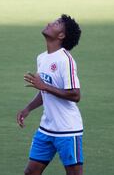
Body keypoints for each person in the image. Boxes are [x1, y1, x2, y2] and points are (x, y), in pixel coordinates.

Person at [17, 14, 83, 175]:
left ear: (61, 35)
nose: (49, 23)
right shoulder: (42, 58)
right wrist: (28, 109)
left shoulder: (65, 60)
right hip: (46, 128)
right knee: (30, 172)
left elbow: (75, 95)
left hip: (67, 129)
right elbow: (45, 91)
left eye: (57, 23)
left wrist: (44, 86)